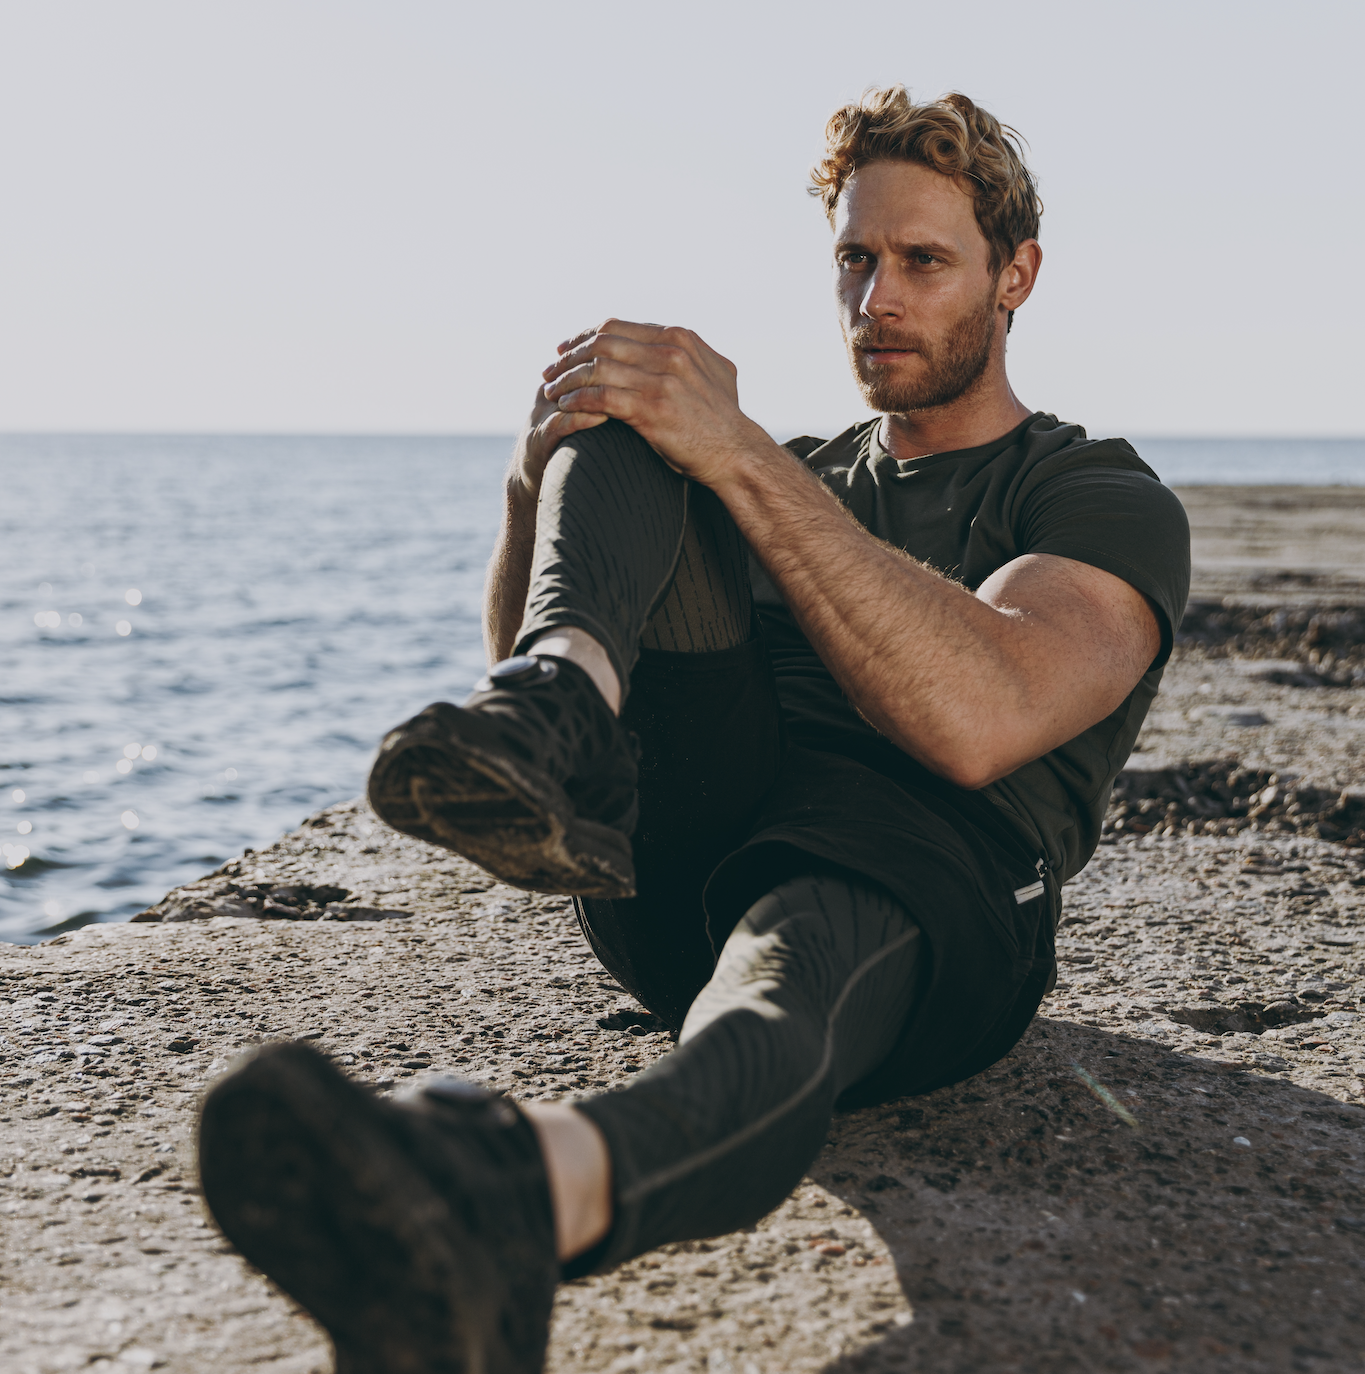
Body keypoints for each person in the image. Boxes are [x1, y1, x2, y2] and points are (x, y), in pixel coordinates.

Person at [196, 85, 1190, 1374]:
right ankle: (564, 704)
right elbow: (556, 591)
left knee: (792, 968)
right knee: (636, 410)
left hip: (927, 887)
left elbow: (982, 717)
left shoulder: (1093, 493)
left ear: (1018, 278)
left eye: (923, 263)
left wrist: (740, 455)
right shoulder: (804, 467)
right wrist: (535, 475)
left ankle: (512, 1193)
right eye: (854, 259)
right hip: (690, 869)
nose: (876, 300)